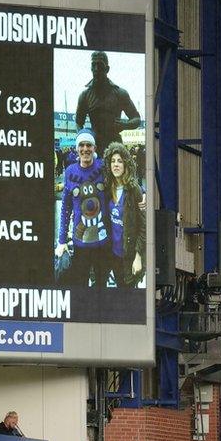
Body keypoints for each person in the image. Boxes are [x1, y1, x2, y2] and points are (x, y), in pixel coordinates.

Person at [56, 128, 109, 288]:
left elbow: (123, 181)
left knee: (101, 287)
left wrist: (141, 193)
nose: (85, 149)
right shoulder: (70, 171)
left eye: (89, 145)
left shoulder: (104, 167)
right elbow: (66, 207)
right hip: (81, 244)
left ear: (94, 148)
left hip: (104, 242)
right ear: (77, 148)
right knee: (80, 287)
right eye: (82, 145)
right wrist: (62, 240)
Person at [74, 51, 142, 148]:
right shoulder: (84, 95)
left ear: (107, 69)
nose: (96, 69)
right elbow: (78, 122)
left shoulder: (120, 93)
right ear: (91, 68)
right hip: (95, 146)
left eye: (100, 65)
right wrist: (83, 139)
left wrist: (125, 125)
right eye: (94, 65)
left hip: (115, 146)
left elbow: (137, 118)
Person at [102, 142, 145, 287]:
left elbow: (143, 227)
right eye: (113, 161)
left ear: (126, 164)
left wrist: (138, 256)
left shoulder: (134, 190)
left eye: (119, 161)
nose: (116, 165)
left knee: (127, 294)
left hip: (129, 256)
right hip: (111, 253)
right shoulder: (107, 188)